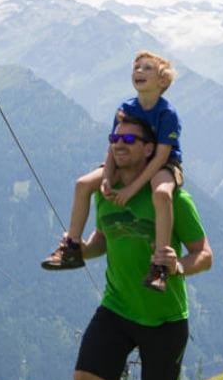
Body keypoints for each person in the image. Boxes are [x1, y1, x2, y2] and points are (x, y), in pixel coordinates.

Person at [61, 113, 212, 380]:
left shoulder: (174, 199)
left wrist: (177, 264)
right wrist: (77, 247)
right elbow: (103, 240)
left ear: (150, 149)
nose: (119, 144)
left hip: (164, 317)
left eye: (130, 138)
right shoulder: (105, 192)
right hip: (117, 307)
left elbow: (205, 255)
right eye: (115, 137)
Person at [43, 51, 185, 290]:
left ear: (163, 81)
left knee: (161, 194)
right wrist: (107, 178)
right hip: (127, 160)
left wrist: (131, 189)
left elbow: (161, 155)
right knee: (83, 184)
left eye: (147, 68)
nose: (138, 71)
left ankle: (160, 264)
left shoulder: (167, 113)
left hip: (164, 163)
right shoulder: (126, 108)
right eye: (136, 67)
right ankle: (72, 246)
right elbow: (113, 145)